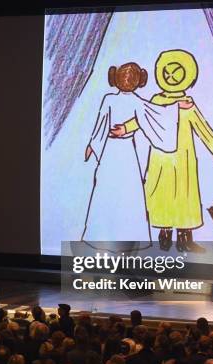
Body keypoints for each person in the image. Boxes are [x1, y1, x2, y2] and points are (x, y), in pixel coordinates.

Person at [112, 49, 213, 252]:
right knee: (162, 194)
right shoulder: (157, 101)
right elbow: (143, 117)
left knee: (185, 194)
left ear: (186, 75)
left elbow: (201, 126)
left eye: (176, 73)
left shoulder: (188, 104)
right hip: (161, 158)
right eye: (168, 72)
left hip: (183, 158)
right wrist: (125, 128)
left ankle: (185, 239)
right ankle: (164, 236)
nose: (171, 77)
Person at [83, 62, 192, 244]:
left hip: (126, 151)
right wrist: (92, 144)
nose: (127, 81)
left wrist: (176, 105)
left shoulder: (137, 102)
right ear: (116, 79)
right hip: (112, 150)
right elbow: (101, 123)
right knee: (106, 187)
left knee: (129, 190)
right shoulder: (109, 99)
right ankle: (99, 236)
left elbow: (157, 114)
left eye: (130, 78)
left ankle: (131, 238)